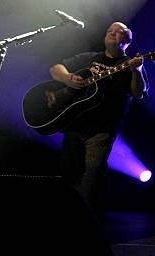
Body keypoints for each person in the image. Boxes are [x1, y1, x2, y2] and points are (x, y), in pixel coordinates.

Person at [50, 22, 148, 216]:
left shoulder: (132, 64)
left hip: (102, 128)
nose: (112, 33)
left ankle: (86, 218)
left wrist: (137, 71)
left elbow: (139, 93)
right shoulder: (91, 58)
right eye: (109, 31)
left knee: (92, 173)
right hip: (75, 122)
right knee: (68, 170)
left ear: (127, 40)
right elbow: (55, 68)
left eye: (118, 32)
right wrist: (67, 77)